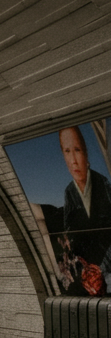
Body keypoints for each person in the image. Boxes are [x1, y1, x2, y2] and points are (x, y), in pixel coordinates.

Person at [57, 126, 111, 296]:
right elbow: (70, 232)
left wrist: (101, 270)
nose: (73, 160)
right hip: (88, 277)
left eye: (77, 150)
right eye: (67, 151)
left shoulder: (105, 184)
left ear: (86, 154)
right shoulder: (69, 192)